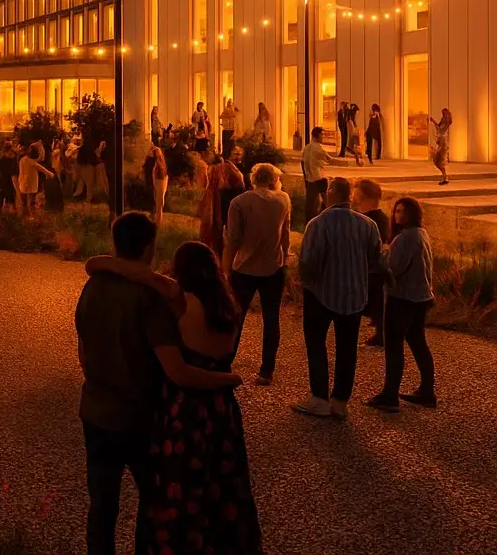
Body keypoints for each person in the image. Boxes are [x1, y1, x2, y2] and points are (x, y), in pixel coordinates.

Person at [86, 240, 261, 554]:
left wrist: (230, 379)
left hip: (185, 411)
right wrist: (227, 378)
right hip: (221, 410)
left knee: (182, 487)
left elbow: (96, 264)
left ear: (181, 270)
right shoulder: (230, 307)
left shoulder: (178, 302)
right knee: (222, 485)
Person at [294, 177, 383, 419]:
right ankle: (340, 401)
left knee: (316, 344)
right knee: (347, 349)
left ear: (331, 192)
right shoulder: (367, 225)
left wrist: (305, 283)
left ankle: (319, 397)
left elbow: (308, 262)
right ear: (350, 195)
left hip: (320, 294)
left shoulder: (318, 224)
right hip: (354, 296)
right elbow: (375, 259)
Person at [366, 197, 436, 413]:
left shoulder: (405, 237)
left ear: (413, 214)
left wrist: (380, 256)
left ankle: (390, 395)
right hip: (421, 297)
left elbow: (393, 267)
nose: (399, 216)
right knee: (417, 342)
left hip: (403, 298)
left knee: (394, 346)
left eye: (404, 212)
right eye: (397, 212)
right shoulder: (421, 234)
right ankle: (427, 391)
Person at [223, 162, 291, 386]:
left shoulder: (239, 202)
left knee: (236, 317)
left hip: (244, 267)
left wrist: (225, 270)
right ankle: (266, 370)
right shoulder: (283, 200)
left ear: (252, 178)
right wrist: (286, 261)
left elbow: (232, 240)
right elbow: (285, 236)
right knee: (272, 319)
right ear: (273, 179)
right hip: (273, 266)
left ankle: (225, 362)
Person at [352, 179, 390, 347]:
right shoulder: (382, 218)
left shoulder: (366, 221)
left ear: (360, 195)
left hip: (369, 269)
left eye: (355, 192)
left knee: (373, 300)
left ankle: (381, 333)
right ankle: (379, 328)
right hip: (373, 269)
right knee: (376, 301)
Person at [197, 152, 244, 258]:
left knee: (222, 229)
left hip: (224, 202)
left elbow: (209, 185)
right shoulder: (231, 169)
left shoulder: (217, 170)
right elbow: (240, 185)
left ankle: (222, 253)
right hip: (226, 201)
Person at [301, 126, 332, 221]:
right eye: (322, 134)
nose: (323, 137)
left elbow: (302, 163)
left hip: (310, 179)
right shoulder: (318, 148)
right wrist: (354, 162)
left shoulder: (306, 148)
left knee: (310, 207)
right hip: (320, 178)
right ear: (317, 135)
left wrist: (306, 177)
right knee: (327, 205)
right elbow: (331, 160)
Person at [18, 141, 54, 214]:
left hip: (23, 181)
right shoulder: (31, 162)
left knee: (25, 198)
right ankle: (30, 213)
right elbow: (41, 168)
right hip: (30, 183)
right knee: (31, 199)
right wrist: (49, 173)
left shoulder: (23, 159)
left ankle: (24, 212)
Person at [0, 140, 18, 213]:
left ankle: (6, 213)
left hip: (7, 180)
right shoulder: (3, 159)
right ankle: (3, 214)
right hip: (7, 181)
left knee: (7, 199)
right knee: (6, 198)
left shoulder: (11, 158)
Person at [430, 108, 452, 185]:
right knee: (437, 162)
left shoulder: (445, 125)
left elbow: (440, 130)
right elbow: (438, 128)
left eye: (445, 115)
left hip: (442, 144)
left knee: (438, 161)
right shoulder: (442, 125)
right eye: (443, 115)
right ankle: (445, 177)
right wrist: (433, 121)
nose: (443, 117)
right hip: (440, 143)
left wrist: (438, 148)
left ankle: (445, 177)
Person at [149, 143, 167, 228]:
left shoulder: (157, 164)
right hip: (162, 183)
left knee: (159, 205)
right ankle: (158, 221)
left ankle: (158, 223)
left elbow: (155, 176)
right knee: (160, 203)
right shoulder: (162, 162)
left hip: (159, 183)